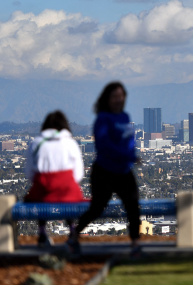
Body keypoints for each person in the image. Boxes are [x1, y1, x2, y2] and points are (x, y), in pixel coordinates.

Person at [68, 82, 140, 256]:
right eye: (115, 96)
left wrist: (131, 154)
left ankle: (135, 243)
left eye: (121, 96)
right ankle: (75, 234)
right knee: (97, 208)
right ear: (107, 99)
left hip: (124, 171)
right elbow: (104, 145)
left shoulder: (125, 117)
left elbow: (130, 141)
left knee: (133, 206)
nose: (119, 99)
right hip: (105, 171)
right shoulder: (102, 119)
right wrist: (128, 155)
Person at [24, 110, 85, 248]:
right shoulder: (70, 143)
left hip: (43, 193)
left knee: (39, 197)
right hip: (68, 193)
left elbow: (29, 172)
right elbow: (79, 174)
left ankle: (42, 232)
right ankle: (72, 230)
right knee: (69, 199)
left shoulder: (36, 143)